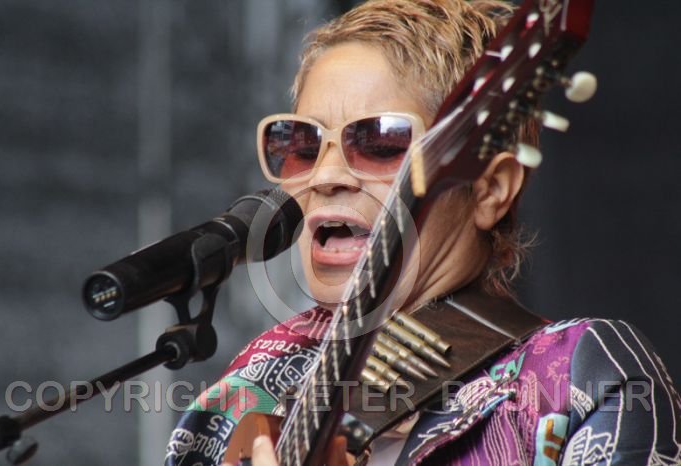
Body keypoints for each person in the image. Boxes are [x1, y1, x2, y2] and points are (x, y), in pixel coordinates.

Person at [165, 1, 681, 465]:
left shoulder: (584, 378)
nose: (325, 176)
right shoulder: (244, 391)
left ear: (490, 190)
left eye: (379, 142)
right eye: (301, 144)